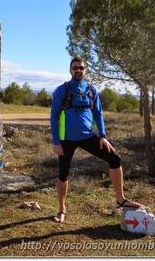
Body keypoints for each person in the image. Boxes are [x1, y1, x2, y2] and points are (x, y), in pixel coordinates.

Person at [50, 57, 144, 223]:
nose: (78, 70)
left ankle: (120, 199)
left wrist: (102, 136)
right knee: (63, 174)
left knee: (115, 158)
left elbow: (98, 114)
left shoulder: (92, 90)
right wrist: (56, 142)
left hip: (87, 136)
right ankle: (61, 209)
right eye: (74, 67)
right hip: (66, 140)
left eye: (81, 67)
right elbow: (54, 117)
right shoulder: (61, 91)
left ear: (86, 70)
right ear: (70, 70)